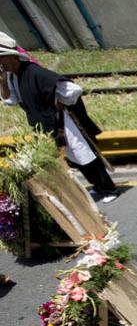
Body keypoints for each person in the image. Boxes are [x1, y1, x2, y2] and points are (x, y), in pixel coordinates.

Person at [0, 32, 118, 203]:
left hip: (62, 121)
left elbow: (73, 90)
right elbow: (11, 100)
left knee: (83, 155)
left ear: (13, 57)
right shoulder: (12, 77)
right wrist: (2, 82)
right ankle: (98, 187)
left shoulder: (35, 73)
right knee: (74, 158)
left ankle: (108, 188)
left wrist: (59, 102)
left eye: (2, 59)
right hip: (46, 124)